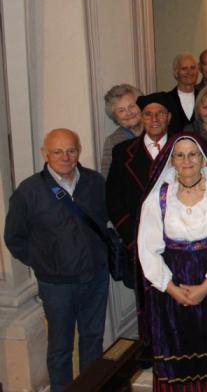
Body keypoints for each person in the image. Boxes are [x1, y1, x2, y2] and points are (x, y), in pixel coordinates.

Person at [4, 129, 110, 391]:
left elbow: (106, 221)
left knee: (93, 339)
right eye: (57, 151)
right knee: (60, 347)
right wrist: (43, 262)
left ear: (79, 151)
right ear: (45, 154)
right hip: (57, 285)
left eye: (71, 150)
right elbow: (14, 237)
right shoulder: (29, 191)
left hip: (95, 278)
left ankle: (90, 387)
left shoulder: (94, 182)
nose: (65, 157)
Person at [137, 134, 207, 390]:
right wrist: (171, 288)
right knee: (177, 347)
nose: (187, 161)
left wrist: (206, 287)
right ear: (171, 160)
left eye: (193, 154)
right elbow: (147, 248)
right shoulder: (158, 197)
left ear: (204, 160)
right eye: (180, 155)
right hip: (172, 283)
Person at [107, 92, 173, 359]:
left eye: (160, 114)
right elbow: (113, 199)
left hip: (178, 241)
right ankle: (151, 348)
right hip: (141, 241)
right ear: (141, 118)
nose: (154, 119)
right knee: (147, 301)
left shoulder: (183, 147)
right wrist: (132, 239)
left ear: (169, 117)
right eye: (148, 114)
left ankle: (177, 349)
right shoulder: (123, 151)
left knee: (177, 297)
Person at [101, 83, 144, 175]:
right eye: (121, 110)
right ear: (115, 116)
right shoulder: (112, 141)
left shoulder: (157, 130)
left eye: (132, 106)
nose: (128, 113)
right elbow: (108, 177)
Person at [168, 53, 199, 133]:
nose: (189, 72)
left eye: (192, 68)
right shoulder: (167, 100)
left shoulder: (203, 97)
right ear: (176, 73)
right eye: (184, 68)